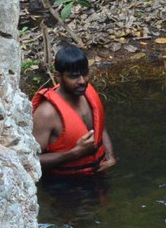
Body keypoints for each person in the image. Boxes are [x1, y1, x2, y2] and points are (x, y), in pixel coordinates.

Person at [31, 44, 116, 177]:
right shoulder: (46, 114)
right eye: (73, 77)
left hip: (98, 173)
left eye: (85, 74)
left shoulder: (88, 93)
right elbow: (31, 161)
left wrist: (110, 157)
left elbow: (100, 128)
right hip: (64, 185)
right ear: (58, 77)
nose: (82, 81)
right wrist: (75, 153)